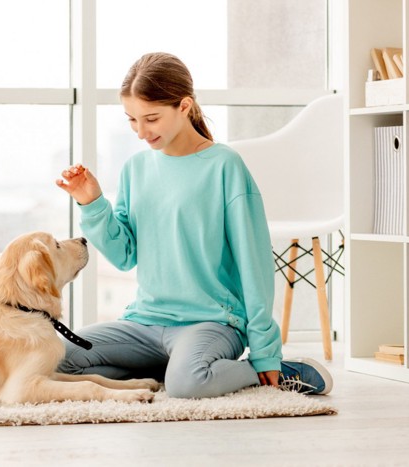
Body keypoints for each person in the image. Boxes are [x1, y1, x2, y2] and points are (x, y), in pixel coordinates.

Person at [54, 52, 332, 398]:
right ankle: (170, 368)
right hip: (145, 321)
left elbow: (254, 263)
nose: (141, 132)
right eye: (132, 120)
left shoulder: (224, 166)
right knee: (57, 359)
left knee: (187, 384)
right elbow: (125, 255)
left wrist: (265, 352)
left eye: (151, 118)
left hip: (211, 322)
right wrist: (91, 202)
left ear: (184, 106)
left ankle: (261, 372)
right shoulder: (136, 169)